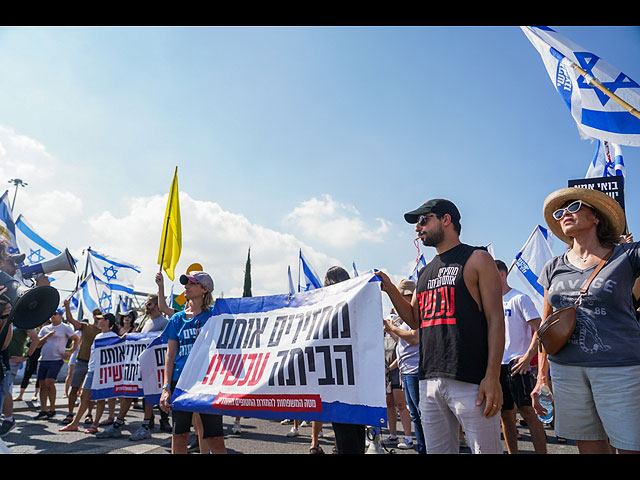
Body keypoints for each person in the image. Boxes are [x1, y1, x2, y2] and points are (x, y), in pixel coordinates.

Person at [376, 198, 505, 454]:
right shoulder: (424, 273)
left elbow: (496, 320)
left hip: (471, 379)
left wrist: (492, 376)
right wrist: (390, 289)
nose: (417, 228)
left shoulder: (477, 258)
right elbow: (415, 320)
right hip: (429, 378)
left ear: (447, 220)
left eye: (424, 220)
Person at [532, 187, 640, 454]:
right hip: (566, 371)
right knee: (589, 448)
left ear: (596, 217)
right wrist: (541, 377)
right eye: (559, 212)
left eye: (574, 206)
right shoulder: (553, 266)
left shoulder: (627, 256)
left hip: (620, 369)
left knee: (630, 446)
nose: (564, 214)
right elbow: (546, 326)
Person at [159, 271, 226, 454]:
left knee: (215, 438)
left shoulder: (216, 316)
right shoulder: (177, 319)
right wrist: (166, 387)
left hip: (208, 383)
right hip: (181, 382)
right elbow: (170, 355)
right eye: (185, 283)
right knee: (179, 436)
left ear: (204, 289)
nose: (186, 286)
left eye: (191, 283)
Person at [97, 294, 171, 440]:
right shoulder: (144, 322)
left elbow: (164, 341)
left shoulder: (163, 322)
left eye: (149, 304)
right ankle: (118, 424)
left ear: (157, 305)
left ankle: (145, 426)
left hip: (153, 366)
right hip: (138, 364)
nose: (146, 306)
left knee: (149, 395)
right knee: (128, 393)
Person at [494, 259, 547, 454]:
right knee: (506, 415)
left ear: (502, 274)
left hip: (517, 363)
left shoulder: (519, 298)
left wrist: (527, 357)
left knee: (528, 413)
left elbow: (540, 330)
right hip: (497, 365)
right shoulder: (489, 302)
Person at [323, 266, 367, 454]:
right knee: (355, 434)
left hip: (340, 382)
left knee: (346, 435)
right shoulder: (360, 306)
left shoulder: (329, 310)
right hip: (358, 380)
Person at [383, 279, 425, 454]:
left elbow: (414, 338)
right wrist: (391, 329)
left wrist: (393, 327)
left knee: (419, 414)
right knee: (415, 412)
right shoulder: (406, 317)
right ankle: (423, 447)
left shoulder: (415, 314)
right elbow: (403, 342)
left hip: (414, 370)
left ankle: (425, 448)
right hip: (406, 369)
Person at [59, 312, 120, 433]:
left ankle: (95, 425)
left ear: (107, 321)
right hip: (92, 371)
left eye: (101, 319)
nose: (98, 321)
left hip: (103, 372)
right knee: (84, 396)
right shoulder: (98, 336)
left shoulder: (114, 337)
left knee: (100, 398)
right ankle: (74, 423)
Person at [61, 302, 102, 425]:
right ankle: (70, 413)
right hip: (81, 361)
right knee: (74, 388)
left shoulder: (105, 331)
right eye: (96, 314)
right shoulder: (86, 326)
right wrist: (67, 307)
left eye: (100, 315)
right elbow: (70, 320)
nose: (97, 317)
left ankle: (89, 414)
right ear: (92, 316)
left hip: (94, 364)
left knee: (89, 391)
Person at [34, 309, 79, 420]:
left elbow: (76, 339)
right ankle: (43, 410)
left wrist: (70, 352)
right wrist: (47, 336)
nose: (52, 316)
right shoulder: (45, 329)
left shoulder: (65, 327)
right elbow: (38, 344)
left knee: (49, 382)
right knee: (42, 384)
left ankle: (52, 408)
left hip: (56, 359)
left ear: (60, 315)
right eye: (51, 314)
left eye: (55, 314)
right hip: (43, 359)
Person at [383, 313, 414, 449]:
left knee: (401, 404)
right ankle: (393, 434)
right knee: (389, 403)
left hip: (396, 370)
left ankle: (408, 437)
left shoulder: (400, 332)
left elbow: (401, 349)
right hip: (385, 371)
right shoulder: (382, 336)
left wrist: (389, 369)